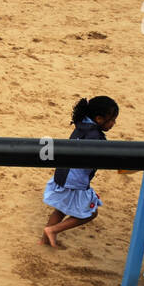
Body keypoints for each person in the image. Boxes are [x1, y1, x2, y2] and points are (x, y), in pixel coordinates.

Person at [41, 95, 118, 247]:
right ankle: (52, 230)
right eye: (111, 120)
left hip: (63, 174)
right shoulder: (95, 138)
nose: (114, 124)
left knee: (61, 209)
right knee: (91, 212)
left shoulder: (82, 124)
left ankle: (44, 241)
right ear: (98, 119)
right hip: (75, 181)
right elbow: (93, 161)